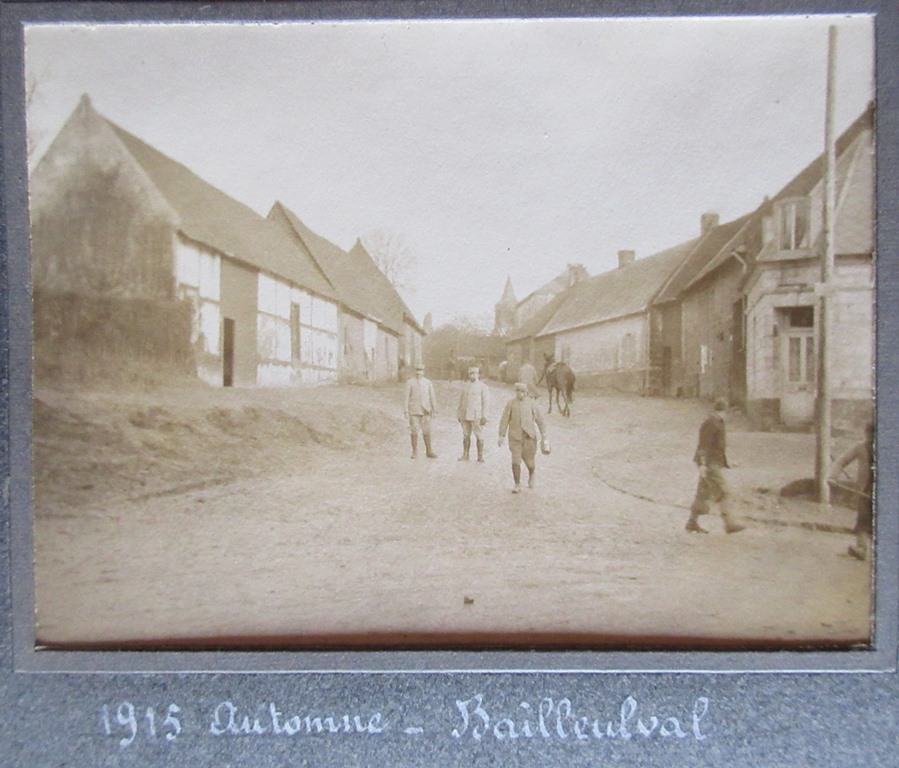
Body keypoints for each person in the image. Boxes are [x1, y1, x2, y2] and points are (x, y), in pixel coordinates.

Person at [685, 397, 745, 534]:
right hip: (710, 464)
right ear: (723, 411)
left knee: (702, 494)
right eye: (727, 412)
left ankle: (692, 523)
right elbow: (703, 445)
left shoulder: (717, 422)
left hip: (712, 463)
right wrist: (703, 464)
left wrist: (726, 462)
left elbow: (718, 446)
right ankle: (729, 523)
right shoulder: (711, 423)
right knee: (723, 491)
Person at [829, 420, 874, 561]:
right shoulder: (861, 447)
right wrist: (833, 476)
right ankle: (862, 549)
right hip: (865, 490)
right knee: (863, 520)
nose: (872, 438)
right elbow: (841, 461)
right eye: (870, 434)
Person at [498, 382, 548, 493]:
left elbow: (540, 421)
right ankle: (517, 484)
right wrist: (501, 435)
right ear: (515, 392)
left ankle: (531, 474)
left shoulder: (532, 404)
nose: (520, 393)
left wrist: (544, 436)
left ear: (526, 392)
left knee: (530, 462)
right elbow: (504, 420)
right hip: (515, 438)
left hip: (529, 438)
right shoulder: (511, 404)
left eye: (522, 391)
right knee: (516, 461)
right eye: (518, 391)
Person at [404, 363, 438, 459]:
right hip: (414, 410)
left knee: (427, 431)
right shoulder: (410, 382)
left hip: (426, 410)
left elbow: (432, 397)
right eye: (417, 370)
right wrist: (406, 411)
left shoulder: (428, 383)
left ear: (423, 372)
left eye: (420, 371)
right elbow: (406, 397)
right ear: (414, 371)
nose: (418, 372)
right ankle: (414, 451)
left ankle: (429, 451)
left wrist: (434, 410)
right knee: (414, 430)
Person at [457, 366, 490, 462]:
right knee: (466, 435)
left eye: (474, 374)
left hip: (476, 415)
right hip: (465, 414)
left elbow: (486, 403)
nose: (472, 376)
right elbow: (461, 401)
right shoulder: (465, 386)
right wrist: (459, 413)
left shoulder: (483, 387)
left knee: (479, 435)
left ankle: (480, 456)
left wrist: (484, 416)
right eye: (470, 374)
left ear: (478, 374)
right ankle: (465, 455)